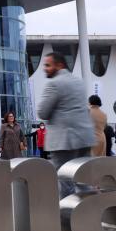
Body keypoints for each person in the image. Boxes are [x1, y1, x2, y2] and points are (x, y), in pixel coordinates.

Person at [37, 52, 95, 198]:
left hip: (64, 141)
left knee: (64, 181)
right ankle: (88, 214)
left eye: (48, 65)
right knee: (83, 180)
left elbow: (42, 112)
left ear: (60, 65)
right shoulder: (78, 82)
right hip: (84, 138)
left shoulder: (54, 84)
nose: (45, 68)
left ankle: (67, 217)